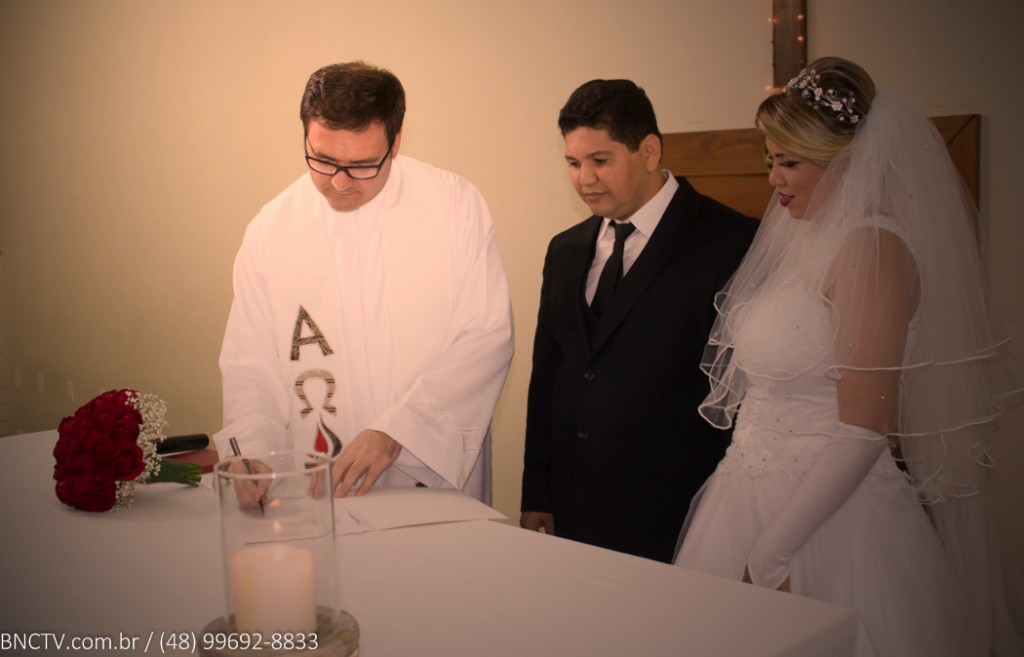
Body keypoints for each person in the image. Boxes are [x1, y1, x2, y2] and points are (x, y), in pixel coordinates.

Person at [674, 57, 1022, 657]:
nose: (774, 179)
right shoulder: (802, 239)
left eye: (790, 162)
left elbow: (863, 430)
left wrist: (771, 554)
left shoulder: (873, 250)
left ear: (848, 161)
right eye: (770, 160)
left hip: (830, 520)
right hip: (742, 495)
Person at [215, 61, 514, 503]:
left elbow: (486, 338)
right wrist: (252, 453)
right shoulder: (271, 229)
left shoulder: (454, 207)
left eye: (362, 165)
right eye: (323, 160)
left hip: (428, 484)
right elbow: (251, 366)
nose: (339, 183)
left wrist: (398, 431)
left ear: (396, 143)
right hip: (318, 490)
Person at [520, 79, 758, 562]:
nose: (584, 179)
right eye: (573, 163)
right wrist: (537, 490)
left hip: (677, 513)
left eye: (600, 160)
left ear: (649, 151)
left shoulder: (731, 241)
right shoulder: (564, 249)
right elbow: (549, 376)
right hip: (573, 508)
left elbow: (740, 394)